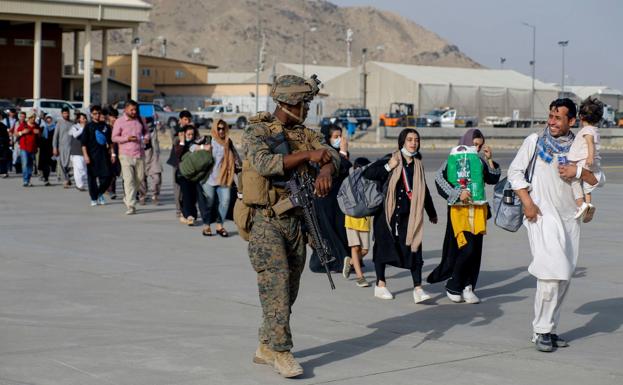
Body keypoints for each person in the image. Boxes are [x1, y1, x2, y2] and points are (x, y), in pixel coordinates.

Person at [244, 74, 339, 378]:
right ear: (292, 103)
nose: (309, 109)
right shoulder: (257, 131)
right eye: (306, 103)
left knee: (288, 289)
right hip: (267, 219)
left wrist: (324, 168)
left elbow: (332, 154)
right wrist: (308, 156)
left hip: (297, 222)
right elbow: (264, 164)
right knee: (277, 281)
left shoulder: (305, 134)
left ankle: (265, 344)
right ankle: (282, 352)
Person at [508, 98, 600, 353]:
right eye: (550, 116)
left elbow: (597, 179)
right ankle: (541, 330)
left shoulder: (581, 145)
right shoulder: (534, 141)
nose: (551, 121)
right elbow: (515, 172)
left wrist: (578, 172)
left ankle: (550, 328)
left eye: (558, 117)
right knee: (550, 274)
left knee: (564, 276)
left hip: (570, 218)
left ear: (572, 121)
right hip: (541, 215)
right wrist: (527, 202)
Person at [362, 128, 437, 302]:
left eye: (416, 140)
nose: (413, 143)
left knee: (415, 249)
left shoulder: (418, 164)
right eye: (410, 139)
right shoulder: (392, 158)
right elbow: (369, 174)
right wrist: (389, 166)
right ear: (402, 141)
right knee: (382, 249)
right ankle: (380, 285)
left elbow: (423, 190)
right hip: (387, 216)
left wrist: (431, 212)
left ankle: (418, 289)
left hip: (409, 217)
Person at [427, 129, 501, 304]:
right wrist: (457, 193)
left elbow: (492, 179)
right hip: (459, 212)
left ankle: (468, 286)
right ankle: (454, 284)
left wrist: (489, 159)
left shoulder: (480, 162)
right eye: (474, 144)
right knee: (464, 248)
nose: (477, 148)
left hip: (478, 211)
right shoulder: (452, 160)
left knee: (475, 250)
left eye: (480, 145)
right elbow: (439, 180)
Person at [309, 124, 351, 274]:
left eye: (340, 136)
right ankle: (338, 260)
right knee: (327, 231)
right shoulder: (324, 154)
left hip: (338, 198)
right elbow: (339, 168)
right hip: (324, 198)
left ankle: (344, 260)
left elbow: (346, 170)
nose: (339, 139)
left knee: (340, 228)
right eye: (335, 137)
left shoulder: (339, 153)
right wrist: (343, 152)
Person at [201, 119, 241, 236]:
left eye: (223, 128)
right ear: (214, 129)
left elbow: (236, 158)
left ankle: (220, 226)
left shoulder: (228, 142)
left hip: (224, 178)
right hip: (209, 178)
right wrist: (203, 147)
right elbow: (192, 148)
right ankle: (206, 226)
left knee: (225, 201)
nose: (221, 131)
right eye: (218, 128)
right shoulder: (208, 140)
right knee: (210, 203)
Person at [569, 97, 604, 222]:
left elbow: (590, 143)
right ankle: (588, 205)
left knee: (575, 181)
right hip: (592, 161)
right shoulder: (595, 130)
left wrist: (589, 157)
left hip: (585, 160)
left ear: (580, 116)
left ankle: (580, 205)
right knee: (587, 187)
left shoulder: (586, 130)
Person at [112, 100, 150, 215]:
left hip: (139, 154)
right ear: (125, 109)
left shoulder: (140, 119)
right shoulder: (119, 121)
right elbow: (114, 138)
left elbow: (147, 132)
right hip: (125, 155)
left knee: (139, 180)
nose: (134, 112)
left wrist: (146, 138)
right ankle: (131, 205)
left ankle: (127, 198)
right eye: (131, 110)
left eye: (135, 110)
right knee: (128, 181)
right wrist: (127, 139)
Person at [343, 157, 372, 287]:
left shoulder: (369, 181)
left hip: (365, 219)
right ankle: (360, 277)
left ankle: (350, 262)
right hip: (351, 218)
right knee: (355, 247)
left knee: (365, 250)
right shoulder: (348, 181)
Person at [174, 125, 211, 226]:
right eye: (188, 134)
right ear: (184, 134)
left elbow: (196, 145)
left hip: (195, 174)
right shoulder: (180, 143)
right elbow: (178, 154)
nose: (190, 136)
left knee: (194, 195)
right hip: (183, 174)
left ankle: (191, 215)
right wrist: (182, 141)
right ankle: (190, 216)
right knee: (187, 195)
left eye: (192, 134)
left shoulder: (197, 141)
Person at [81, 105, 113, 206]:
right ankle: (94, 198)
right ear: (91, 114)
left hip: (104, 156)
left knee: (108, 177)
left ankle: (99, 193)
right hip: (91, 157)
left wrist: (113, 154)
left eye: (99, 113)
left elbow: (110, 143)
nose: (97, 115)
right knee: (92, 178)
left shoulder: (106, 126)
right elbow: (83, 144)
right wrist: (86, 156)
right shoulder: (88, 126)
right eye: (95, 113)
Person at [167, 110, 194, 217]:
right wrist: (182, 135)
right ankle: (179, 209)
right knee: (177, 185)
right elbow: (174, 141)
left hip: (189, 160)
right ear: (180, 120)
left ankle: (188, 207)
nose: (187, 122)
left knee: (189, 185)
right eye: (185, 119)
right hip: (177, 160)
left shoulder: (193, 130)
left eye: (189, 120)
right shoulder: (174, 129)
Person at [139, 116, 163, 206]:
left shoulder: (154, 129)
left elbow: (163, 129)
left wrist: (158, 121)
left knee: (157, 178)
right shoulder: (136, 128)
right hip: (141, 155)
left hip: (153, 155)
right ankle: (142, 196)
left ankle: (155, 196)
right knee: (141, 178)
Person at [15, 112, 40, 187]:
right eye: (32, 117)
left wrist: (38, 133)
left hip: (33, 148)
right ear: (28, 118)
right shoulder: (23, 125)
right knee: (25, 164)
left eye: (34, 117)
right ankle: (25, 180)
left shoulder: (36, 125)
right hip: (24, 147)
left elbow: (39, 135)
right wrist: (22, 132)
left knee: (30, 165)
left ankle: (28, 180)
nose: (33, 119)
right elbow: (16, 133)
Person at [53, 107, 74, 188]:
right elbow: (55, 137)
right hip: (61, 147)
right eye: (64, 113)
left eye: (67, 113)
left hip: (71, 147)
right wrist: (55, 147)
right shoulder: (59, 123)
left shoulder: (72, 123)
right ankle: (65, 180)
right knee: (62, 165)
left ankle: (68, 178)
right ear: (62, 114)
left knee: (70, 165)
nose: (66, 114)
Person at [105, 108, 121, 199]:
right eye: (112, 117)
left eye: (115, 117)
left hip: (118, 151)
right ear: (109, 117)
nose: (114, 119)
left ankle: (110, 189)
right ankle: (111, 190)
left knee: (115, 171)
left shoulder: (119, 127)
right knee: (111, 172)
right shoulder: (106, 127)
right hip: (108, 151)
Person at [70, 113, 88, 191]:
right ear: (79, 119)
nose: (84, 120)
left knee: (82, 169)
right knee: (79, 169)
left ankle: (80, 184)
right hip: (76, 151)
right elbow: (75, 135)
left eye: (85, 118)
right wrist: (82, 128)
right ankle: (80, 185)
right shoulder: (74, 127)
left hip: (85, 151)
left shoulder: (88, 127)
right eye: (83, 118)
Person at [38, 114, 56, 186]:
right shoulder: (42, 127)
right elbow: (38, 137)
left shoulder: (55, 127)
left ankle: (46, 178)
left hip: (51, 148)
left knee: (48, 164)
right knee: (43, 163)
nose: (48, 120)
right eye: (47, 119)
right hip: (43, 148)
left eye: (50, 119)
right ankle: (44, 177)